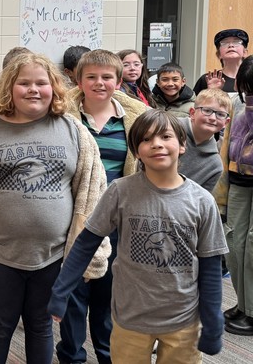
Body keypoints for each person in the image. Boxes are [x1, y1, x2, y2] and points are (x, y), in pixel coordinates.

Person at [0, 52, 110, 364]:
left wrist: (87, 252)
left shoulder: (74, 130)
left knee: (41, 326)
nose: (33, 89)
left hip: (54, 253)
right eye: (23, 83)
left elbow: (92, 191)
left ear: (53, 87)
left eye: (41, 83)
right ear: (9, 89)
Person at [49, 110, 228, 362]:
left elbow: (210, 266)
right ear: (136, 151)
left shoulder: (202, 201)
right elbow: (85, 244)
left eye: (165, 136)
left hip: (183, 321)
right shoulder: (120, 191)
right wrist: (61, 291)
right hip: (130, 319)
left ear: (182, 145)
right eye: (145, 139)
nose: (156, 144)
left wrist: (213, 321)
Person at [56, 49, 148, 364]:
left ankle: (108, 355)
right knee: (73, 296)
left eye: (107, 77)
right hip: (74, 218)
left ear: (119, 81)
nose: (99, 83)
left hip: (117, 222)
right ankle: (71, 355)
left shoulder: (134, 118)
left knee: (109, 297)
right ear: (78, 80)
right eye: (91, 77)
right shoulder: (62, 117)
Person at [217, 55, 253, 335]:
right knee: (233, 241)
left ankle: (252, 311)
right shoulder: (239, 104)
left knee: (252, 246)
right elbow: (227, 144)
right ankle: (244, 304)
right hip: (239, 182)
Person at [177, 89, 231, 194]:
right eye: (206, 110)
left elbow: (200, 201)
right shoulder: (168, 129)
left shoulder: (215, 165)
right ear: (192, 113)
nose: (212, 118)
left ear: (226, 122)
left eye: (220, 114)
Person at [194, 29, 250, 98]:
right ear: (219, 54)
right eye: (225, 43)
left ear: (245, 52)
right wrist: (211, 92)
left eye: (236, 42)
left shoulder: (251, 78)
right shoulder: (207, 79)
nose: (231, 45)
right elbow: (195, 106)